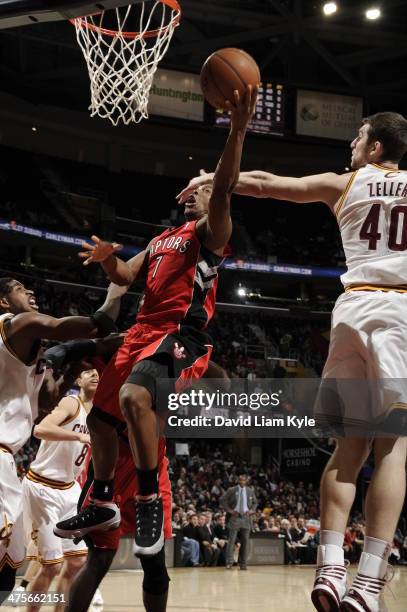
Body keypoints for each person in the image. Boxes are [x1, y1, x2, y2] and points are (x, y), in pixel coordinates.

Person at [179, 111, 407, 612]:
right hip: (400, 310)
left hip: (352, 311)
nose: (351, 143)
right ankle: (367, 580)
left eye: (357, 137)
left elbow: (265, 184)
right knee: (392, 449)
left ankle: (328, 567)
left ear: (374, 149)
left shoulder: (345, 183)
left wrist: (215, 181)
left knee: (347, 452)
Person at [56, 84, 258, 568]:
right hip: (141, 332)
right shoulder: (162, 237)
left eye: (201, 189)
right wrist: (108, 261)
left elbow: (226, 186)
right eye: (192, 190)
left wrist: (236, 129)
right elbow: (126, 277)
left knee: (131, 400)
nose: (194, 193)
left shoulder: (212, 233)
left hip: (181, 336)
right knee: (102, 422)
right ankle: (102, 501)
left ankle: (147, 500)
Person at [0, 277, 117, 604]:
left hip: (15, 464)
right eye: (21, 289)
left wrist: (66, 358)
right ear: (4, 303)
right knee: (27, 568)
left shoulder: (27, 351)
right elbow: (68, 329)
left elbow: (49, 391)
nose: (32, 292)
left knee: (10, 568)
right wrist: (113, 299)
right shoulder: (17, 323)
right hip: (30, 477)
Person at [22, 367, 98, 612]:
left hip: (69, 489)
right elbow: (40, 429)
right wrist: (78, 437)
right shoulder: (70, 402)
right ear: (79, 379)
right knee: (51, 566)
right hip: (42, 486)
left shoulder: (98, 413)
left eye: (99, 372)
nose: (96, 375)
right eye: (89, 373)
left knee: (77, 562)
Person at [220, 474, 257, 570]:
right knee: (231, 541)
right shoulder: (232, 490)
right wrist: (229, 510)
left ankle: (243, 563)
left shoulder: (250, 491)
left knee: (245, 541)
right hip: (234, 517)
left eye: (244, 480)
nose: (242, 482)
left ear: (246, 481)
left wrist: (252, 510)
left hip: (246, 517)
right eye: (240, 480)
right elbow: (222, 500)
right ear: (238, 480)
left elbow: (255, 503)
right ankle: (229, 562)